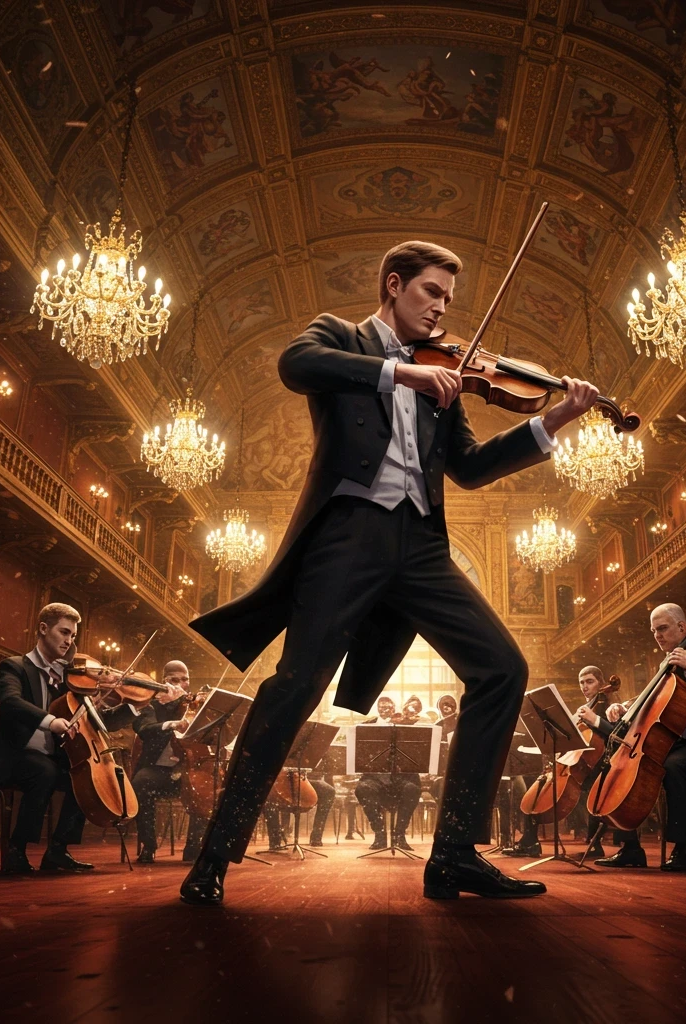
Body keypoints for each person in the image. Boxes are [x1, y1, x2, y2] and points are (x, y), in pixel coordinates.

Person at [181, 239, 599, 904]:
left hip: (422, 544)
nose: (441, 309)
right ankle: (213, 857)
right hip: (348, 534)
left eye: (448, 299)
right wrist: (400, 375)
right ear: (395, 284)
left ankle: (454, 854)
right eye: (432, 291)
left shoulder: (444, 373)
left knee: (502, 669)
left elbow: (469, 467)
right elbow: (296, 364)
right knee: (295, 686)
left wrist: (555, 420)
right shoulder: (342, 338)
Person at [0, 602, 130, 874]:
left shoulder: (69, 679)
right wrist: (50, 721)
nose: (69, 641)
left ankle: (58, 850)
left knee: (84, 777)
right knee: (43, 771)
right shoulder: (14, 667)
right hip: (12, 756)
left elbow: (99, 723)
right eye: (64, 632)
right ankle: (16, 850)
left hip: (48, 758)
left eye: (73, 636)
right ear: (44, 629)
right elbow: (10, 702)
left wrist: (133, 706)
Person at [596, 603, 686, 871]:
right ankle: (631, 848)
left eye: (663, 628)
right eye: (654, 631)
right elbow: (652, 702)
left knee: (673, 766)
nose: (658, 635)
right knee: (633, 765)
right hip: (679, 743)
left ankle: (684, 851)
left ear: (682, 627)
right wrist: (625, 707)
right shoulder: (665, 665)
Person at [130, 660, 208, 864]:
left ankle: (193, 846)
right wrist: (172, 721)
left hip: (188, 770)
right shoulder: (149, 705)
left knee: (205, 786)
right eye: (174, 680)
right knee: (140, 782)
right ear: (163, 681)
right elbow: (145, 729)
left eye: (185, 680)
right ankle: (149, 845)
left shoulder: (196, 706)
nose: (181, 685)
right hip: (160, 771)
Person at [574, 666, 645, 866]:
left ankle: (629, 847)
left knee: (598, 783)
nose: (585, 686)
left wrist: (594, 720)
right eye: (581, 682)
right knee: (587, 784)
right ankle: (595, 841)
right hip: (596, 760)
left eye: (590, 681)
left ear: (601, 682)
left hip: (617, 759)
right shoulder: (587, 706)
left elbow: (619, 734)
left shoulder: (611, 704)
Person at [355, 694, 425, 851]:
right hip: (375, 778)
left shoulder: (409, 725)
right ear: (377, 709)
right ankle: (379, 833)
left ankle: (399, 834)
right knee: (363, 789)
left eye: (389, 706)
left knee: (412, 789)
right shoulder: (366, 726)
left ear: (395, 708)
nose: (385, 709)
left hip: (402, 777)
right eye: (381, 706)